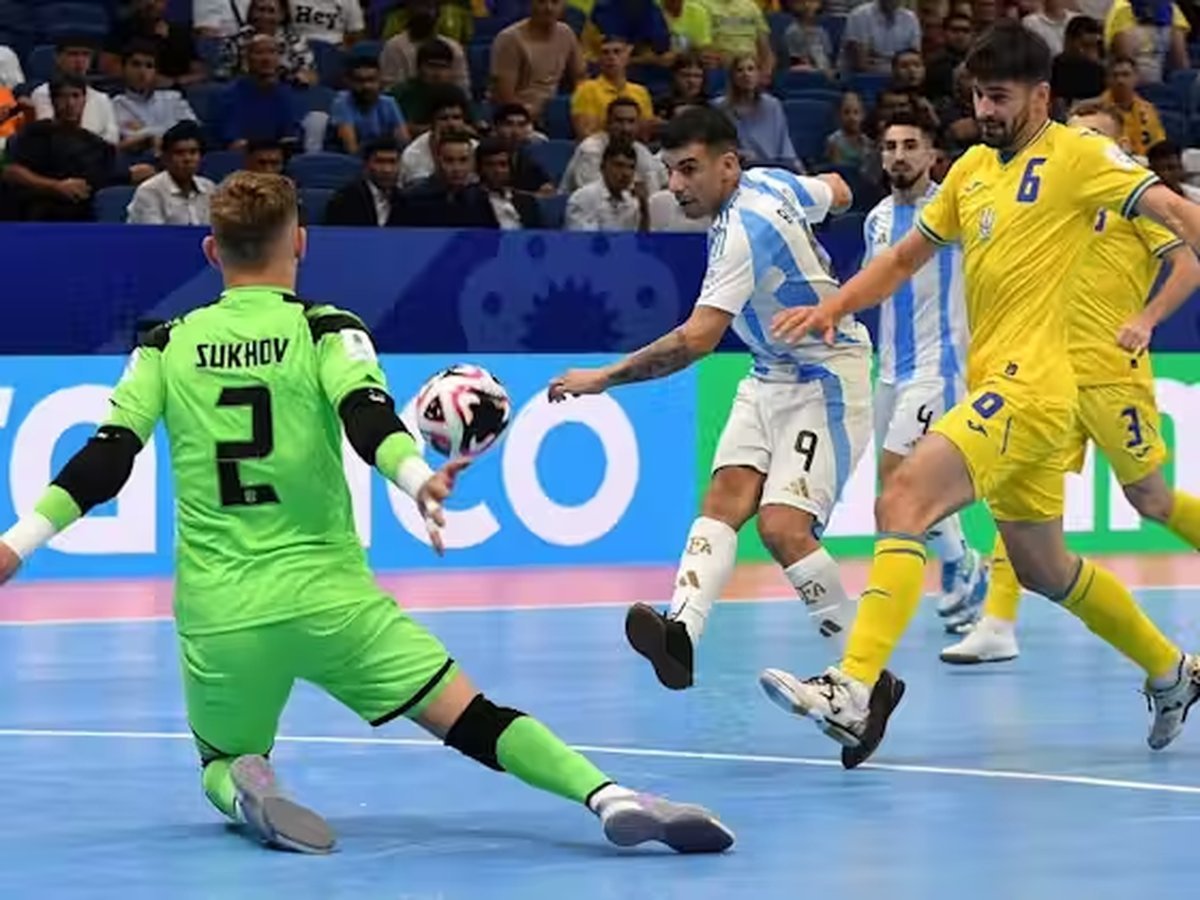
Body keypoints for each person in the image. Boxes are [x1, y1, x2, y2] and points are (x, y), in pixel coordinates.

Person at [0, 171, 734, 858]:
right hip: (332, 604)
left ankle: (249, 780)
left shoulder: (165, 345)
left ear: (211, 251)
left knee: (221, 757)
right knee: (472, 716)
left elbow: (106, 458)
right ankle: (608, 796)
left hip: (221, 613)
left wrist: (16, 544)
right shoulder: (325, 330)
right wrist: (417, 479)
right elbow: (367, 417)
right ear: (300, 242)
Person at [765, 22, 1200, 761]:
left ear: (1041, 96)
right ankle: (1171, 671)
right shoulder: (970, 169)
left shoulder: (1080, 155)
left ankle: (854, 684)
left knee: (903, 500)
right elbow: (903, 259)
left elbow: (1178, 216)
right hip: (1008, 386)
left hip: (1032, 388)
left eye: (999, 97)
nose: (985, 110)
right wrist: (835, 306)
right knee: (1044, 569)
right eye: (977, 96)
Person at [547, 107, 902, 770]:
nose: (676, 185)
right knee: (723, 500)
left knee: (783, 528)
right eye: (670, 170)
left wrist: (603, 378)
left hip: (827, 376)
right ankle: (680, 633)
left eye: (689, 170)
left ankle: (868, 680)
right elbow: (838, 189)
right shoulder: (773, 182)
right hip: (769, 372)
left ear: (728, 165)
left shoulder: (744, 226)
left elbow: (696, 340)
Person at [941, 99, 1200, 664]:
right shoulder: (1048, 201)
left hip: (1110, 372)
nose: (1079, 145)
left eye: (1095, 137)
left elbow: (1188, 264)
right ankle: (997, 624)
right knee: (1023, 495)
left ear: (1117, 148)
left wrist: (1147, 318)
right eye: (1075, 133)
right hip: (1045, 374)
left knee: (1151, 499)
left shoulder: (1132, 201)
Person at [863, 108, 987, 636]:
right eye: (890, 147)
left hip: (941, 365)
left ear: (933, 155)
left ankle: (959, 563)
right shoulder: (876, 220)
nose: (899, 156)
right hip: (891, 368)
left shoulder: (954, 210)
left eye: (910, 146)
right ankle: (963, 560)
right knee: (894, 483)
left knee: (900, 475)